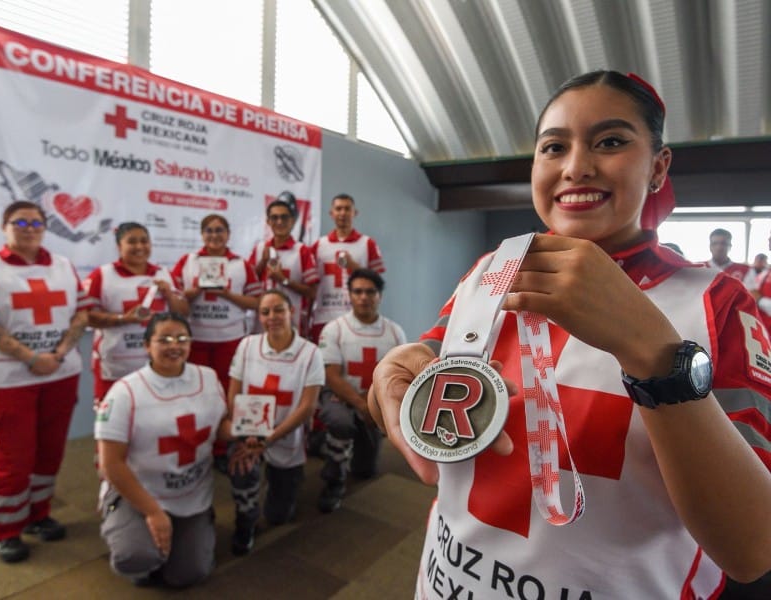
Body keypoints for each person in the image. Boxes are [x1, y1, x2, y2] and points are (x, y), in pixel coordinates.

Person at [369, 71, 771, 598]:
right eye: (554, 146)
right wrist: (401, 365)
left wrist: (653, 353)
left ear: (659, 165)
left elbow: (751, 549)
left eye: (610, 142)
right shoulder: (493, 268)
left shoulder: (718, 304)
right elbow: (438, 355)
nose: (576, 167)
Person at [0, 201, 92, 563]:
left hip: (60, 373)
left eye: (36, 221)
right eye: (19, 221)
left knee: (49, 450)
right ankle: (5, 529)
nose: (28, 227)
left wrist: (56, 355)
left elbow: (82, 313)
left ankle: (38, 514)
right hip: (6, 379)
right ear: (5, 226)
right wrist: (31, 358)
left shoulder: (63, 265)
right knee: (11, 457)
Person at [95, 312, 233, 587]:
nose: (175, 346)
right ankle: (134, 533)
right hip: (141, 491)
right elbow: (110, 464)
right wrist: (153, 513)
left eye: (182, 339)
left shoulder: (207, 378)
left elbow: (220, 428)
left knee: (188, 574)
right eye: (164, 339)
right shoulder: (125, 392)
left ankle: (193, 528)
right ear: (147, 346)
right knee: (135, 558)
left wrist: (247, 434)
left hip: (192, 492)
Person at [226, 290, 324, 555]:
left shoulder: (311, 353)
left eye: (278, 310)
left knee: (279, 515)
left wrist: (268, 439)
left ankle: (276, 487)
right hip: (249, 434)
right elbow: (233, 392)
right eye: (265, 312)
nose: (272, 317)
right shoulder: (247, 345)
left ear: (291, 311)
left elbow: (307, 407)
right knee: (241, 465)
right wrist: (245, 433)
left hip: (285, 437)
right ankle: (245, 519)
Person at [171, 214, 261, 471]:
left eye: (219, 230)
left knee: (227, 394)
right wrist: (194, 291)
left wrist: (227, 294)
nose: (214, 235)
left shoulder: (240, 264)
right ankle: (198, 447)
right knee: (195, 393)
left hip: (229, 340)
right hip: (196, 340)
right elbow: (175, 302)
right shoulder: (188, 262)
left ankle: (222, 447)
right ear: (202, 234)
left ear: (228, 234)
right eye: (209, 231)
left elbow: (256, 302)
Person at [316, 268, 406, 512]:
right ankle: (333, 479)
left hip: (375, 400)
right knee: (341, 423)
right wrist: (360, 404)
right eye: (357, 292)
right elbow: (331, 375)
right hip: (341, 396)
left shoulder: (395, 332)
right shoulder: (334, 329)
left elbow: (399, 375)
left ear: (380, 296)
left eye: (370, 292)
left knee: (365, 471)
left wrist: (376, 405)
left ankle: (355, 449)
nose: (364, 297)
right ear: (349, 295)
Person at [85, 222, 188, 407]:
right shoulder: (102, 275)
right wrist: (124, 319)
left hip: (157, 365)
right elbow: (86, 316)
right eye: (132, 241)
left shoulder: (163, 273)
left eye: (144, 241)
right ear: (119, 246)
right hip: (115, 366)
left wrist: (169, 295)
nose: (139, 246)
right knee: (113, 422)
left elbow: (183, 313)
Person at [309, 193, 385, 343]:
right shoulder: (319, 245)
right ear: (331, 213)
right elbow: (311, 283)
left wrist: (353, 266)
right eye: (338, 209)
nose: (342, 213)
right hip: (324, 316)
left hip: (357, 315)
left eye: (347, 209)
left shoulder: (367, 243)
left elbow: (377, 282)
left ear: (354, 213)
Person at [248, 191, 318, 336]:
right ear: (268, 222)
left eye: (284, 217)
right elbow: (248, 285)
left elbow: (312, 292)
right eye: (274, 218)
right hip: (261, 324)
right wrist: (262, 262)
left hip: (293, 322)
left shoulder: (302, 251)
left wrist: (283, 280)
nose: (279, 222)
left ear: (293, 220)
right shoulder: (260, 248)